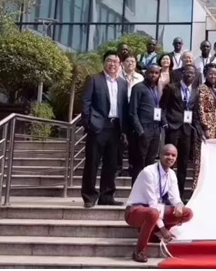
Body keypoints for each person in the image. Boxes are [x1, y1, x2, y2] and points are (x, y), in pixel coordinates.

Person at [124, 144, 193, 263]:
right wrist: (163, 229)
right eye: (167, 154)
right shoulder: (148, 172)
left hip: (155, 209)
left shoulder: (171, 174)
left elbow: (175, 198)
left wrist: (179, 205)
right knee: (152, 213)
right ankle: (139, 251)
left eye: (173, 155)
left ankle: (154, 233)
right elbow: (152, 204)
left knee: (187, 213)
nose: (170, 157)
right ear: (160, 155)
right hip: (135, 210)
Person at [81, 51, 128, 208]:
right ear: (104, 63)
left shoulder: (123, 83)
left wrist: (124, 130)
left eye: (116, 61)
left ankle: (106, 196)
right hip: (98, 127)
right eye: (109, 60)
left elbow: (124, 107)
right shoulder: (94, 79)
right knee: (92, 163)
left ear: (119, 65)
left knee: (111, 164)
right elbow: (86, 102)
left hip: (115, 127)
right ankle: (89, 196)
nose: (112, 64)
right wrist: (88, 124)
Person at [161, 65, 198, 200]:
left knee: (183, 164)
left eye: (192, 73)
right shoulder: (171, 88)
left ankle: (179, 196)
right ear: (182, 73)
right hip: (172, 128)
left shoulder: (195, 92)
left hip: (186, 131)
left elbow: (194, 112)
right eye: (187, 72)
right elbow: (162, 107)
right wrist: (165, 124)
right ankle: (165, 194)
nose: (190, 75)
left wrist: (198, 130)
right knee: (168, 162)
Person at [128, 65, 164, 185]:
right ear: (146, 73)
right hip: (143, 130)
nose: (153, 75)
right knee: (139, 163)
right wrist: (140, 131)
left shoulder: (156, 89)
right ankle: (136, 192)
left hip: (155, 130)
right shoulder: (138, 88)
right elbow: (132, 112)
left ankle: (147, 190)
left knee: (150, 163)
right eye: (151, 72)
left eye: (156, 73)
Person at [190, 63, 216, 191]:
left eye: (215, 74)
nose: (213, 76)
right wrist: (205, 128)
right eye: (210, 74)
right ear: (205, 74)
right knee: (200, 159)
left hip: (215, 126)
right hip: (204, 129)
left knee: (210, 160)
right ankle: (196, 189)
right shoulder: (202, 89)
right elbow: (200, 109)